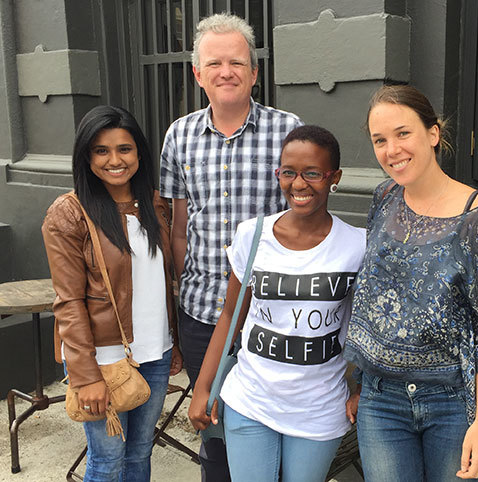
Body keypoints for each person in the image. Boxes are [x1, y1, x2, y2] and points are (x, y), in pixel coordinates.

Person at [344, 85, 478, 481]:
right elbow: (373, 298)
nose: (392, 150)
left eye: (403, 133)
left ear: (433, 134)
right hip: (381, 400)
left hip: (453, 403)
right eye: (379, 140)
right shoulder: (384, 198)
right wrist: (360, 382)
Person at [159, 12, 302, 480]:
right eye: (214, 62)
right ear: (198, 73)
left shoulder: (288, 131)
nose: (226, 71)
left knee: (274, 429)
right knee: (214, 429)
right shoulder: (178, 135)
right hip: (201, 312)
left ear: (255, 72)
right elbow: (179, 228)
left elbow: (302, 220)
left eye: (237, 62)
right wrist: (179, 295)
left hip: (269, 313)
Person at [188, 125, 366, 482]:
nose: (298, 184)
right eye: (288, 173)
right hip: (250, 399)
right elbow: (230, 316)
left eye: (312, 173)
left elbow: (366, 330)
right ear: (278, 175)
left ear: (335, 177)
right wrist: (203, 388)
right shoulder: (252, 236)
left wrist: (361, 388)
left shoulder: (357, 245)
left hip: (319, 408)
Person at [42, 105, 182, 481]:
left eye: (125, 148)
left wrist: (175, 344)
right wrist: (85, 375)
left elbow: (163, 283)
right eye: (101, 150)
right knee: (107, 460)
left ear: (139, 154)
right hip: (102, 360)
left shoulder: (155, 204)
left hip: (154, 352)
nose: (115, 160)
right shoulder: (69, 214)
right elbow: (68, 302)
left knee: (139, 452)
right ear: (86, 157)